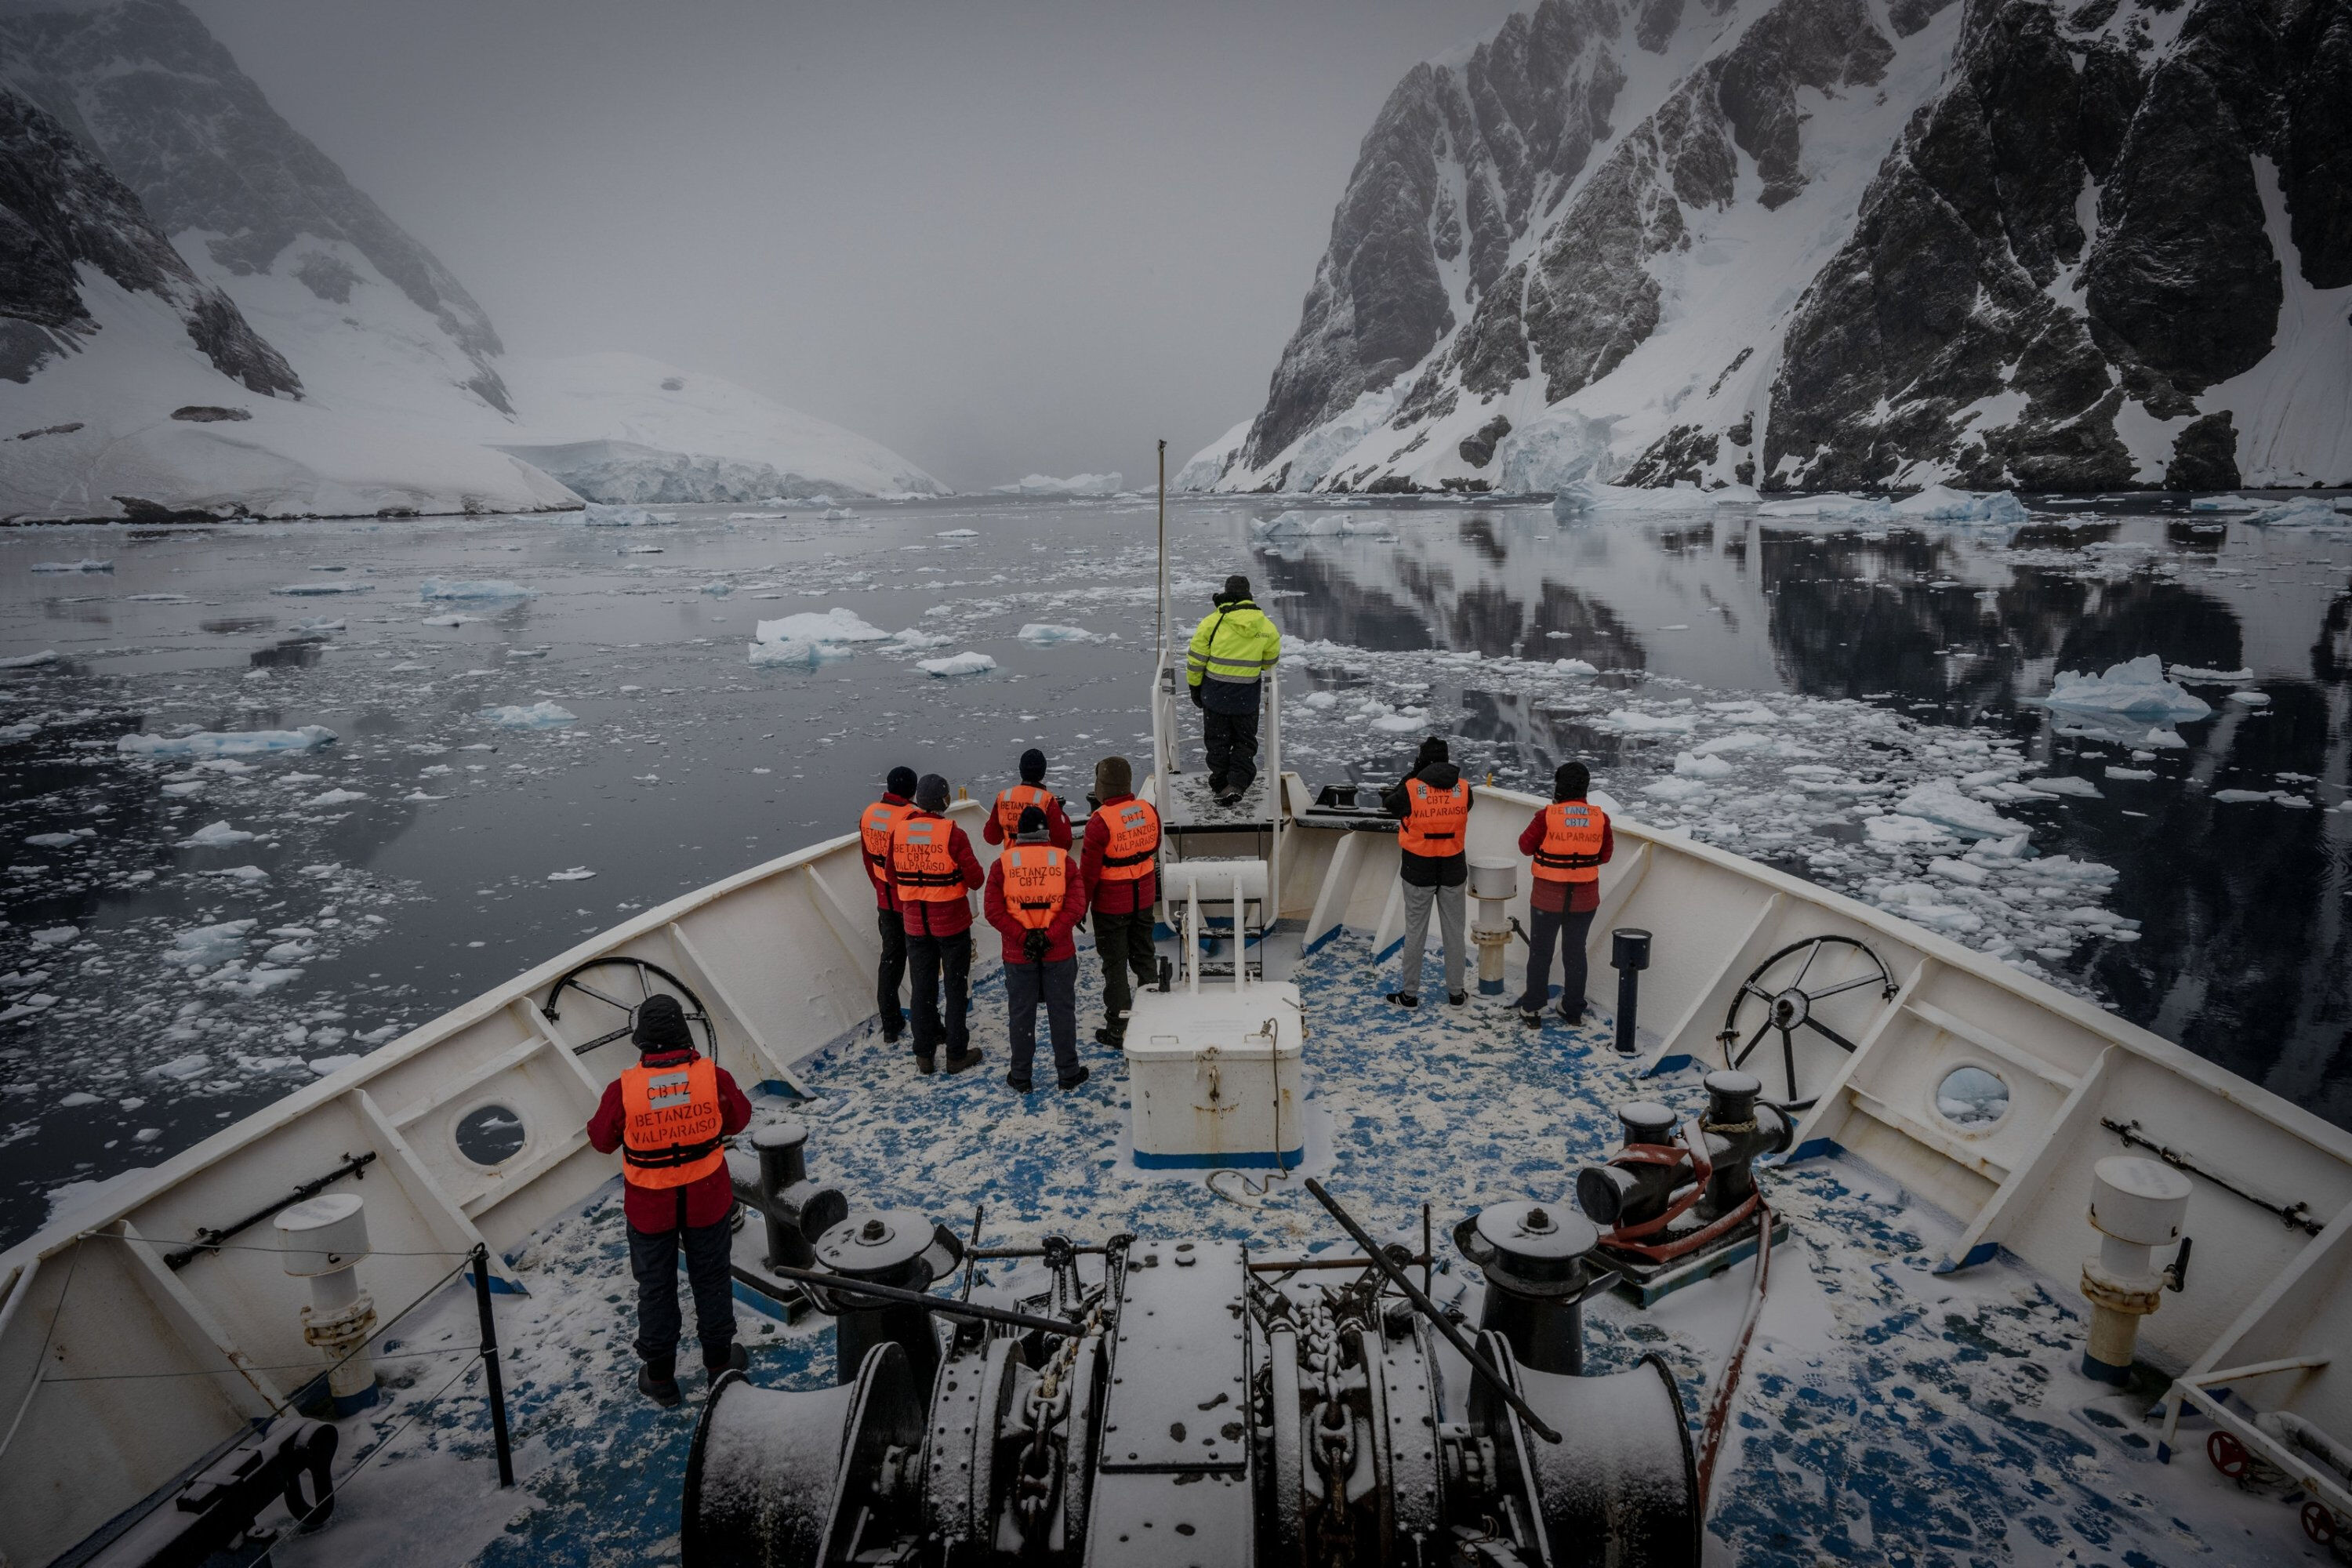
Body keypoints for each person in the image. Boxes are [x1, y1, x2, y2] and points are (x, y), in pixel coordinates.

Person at [584, 993, 753, 1407]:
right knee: (711, 1279)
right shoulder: (712, 1077)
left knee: (655, 1288)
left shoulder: (624, 1089)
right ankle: (719, 1365)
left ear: (641, 1040)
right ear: (684, 1032)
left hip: (650, 1208)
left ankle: (660, 1378)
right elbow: (740, 1117)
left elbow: (600, 1139)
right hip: (708, 1200)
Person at [984, 804, 1091, 1092]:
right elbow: (1076, 906)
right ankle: (1068, 1072)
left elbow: (993, 911)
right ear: (1046, 831)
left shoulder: (1002, 865)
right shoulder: (1064, 862)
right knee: (1062, 1012)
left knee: (1021, 1014)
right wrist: (1049, 936)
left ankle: (1021, 1077)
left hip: (1019, 956)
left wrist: (1025, 938)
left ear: (1018, 833)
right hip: (1058, 952)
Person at [887, 773, 986, 1074]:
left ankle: (924, 1055)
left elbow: (892, 877)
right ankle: (956, 1055)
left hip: (915, 925)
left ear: (919, 800)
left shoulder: (900, 832)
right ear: (945, 801)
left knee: (922, 989)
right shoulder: (952, 834)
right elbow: (976, 878)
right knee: (956, 989)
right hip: (951, 924)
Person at [1516, 761, 1614, 1027]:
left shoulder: (1546, 816)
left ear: (1558, 786)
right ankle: (1572, 1009)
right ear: (1586, 787)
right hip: (1584, 900)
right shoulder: (1600, 818)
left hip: (1547, 899)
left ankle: (1534, 1009)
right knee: (1575, 952)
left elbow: (1525, 846)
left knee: (1540, 953)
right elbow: (1605, 856)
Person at [1381, 737, 1471, 1007]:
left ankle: (1409, 995)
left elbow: (1391, 805)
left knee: (1416, 931)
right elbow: (1465, 810)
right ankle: (1456, 994)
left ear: (1421, 759)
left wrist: (1414, 773)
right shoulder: (1464, 788)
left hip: (1418, 868)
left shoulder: (1412, 787)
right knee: (1454, 932)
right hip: (1453, 868)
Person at [1080, 755, 1160, 1047]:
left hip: (1112, 906)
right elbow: (1154, 845)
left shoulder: (1099, 823)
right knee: (1144, 956)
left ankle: (1119, 1027)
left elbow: (1088, 875)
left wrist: (1080, 907)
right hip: (1144, 898)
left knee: (1115, 967)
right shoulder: (1148, 810)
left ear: (1101, 786)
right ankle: (1154, 1015)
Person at [1185, 574, 1281, 807]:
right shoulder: (1266, 626)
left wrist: (1195, 688)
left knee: (1217, 742)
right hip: (1246, 698)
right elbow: (1270, 662)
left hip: (1215, 696)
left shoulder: (1212, 622)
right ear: (1248, 594)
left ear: (1227, 593)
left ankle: (1220, 783)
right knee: (1244, 742)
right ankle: (1237, 783)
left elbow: (1196, 660)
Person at [858, 765, 920, 1044]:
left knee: (891, 961)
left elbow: (868, 859)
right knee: (922, 963)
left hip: (884, 897)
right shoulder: (912, 817)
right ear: (913, 791)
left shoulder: (870, 814)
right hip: (909, 901)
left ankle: (891, 1024)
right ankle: (926, 1023)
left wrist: (881, 888)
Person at [982, 748, 1072, 850]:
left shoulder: (1004, 797)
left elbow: (992, 838)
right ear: (1043, 772)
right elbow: (1063, 843)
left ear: (1021, 770)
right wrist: (1061, 813)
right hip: (1041, 862)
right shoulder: (1047, 800)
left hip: (1011, 863)